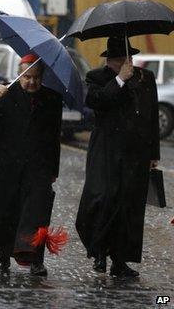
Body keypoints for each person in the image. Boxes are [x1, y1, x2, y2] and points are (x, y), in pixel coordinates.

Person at [76, 36, 160, 277]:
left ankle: (120, 260)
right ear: (110, 61)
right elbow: (96, 101)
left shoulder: (146, 78)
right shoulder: (97, 77)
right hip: (106, 151)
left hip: (136, 153)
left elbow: (151, 115)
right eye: (121, 60)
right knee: (102, 200)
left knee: (129, 206)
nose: (127, 63)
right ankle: (99, 252)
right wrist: (120, 80)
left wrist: (153, 153)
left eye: (129, 58)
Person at [0, 54, 64, 276]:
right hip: (6, 167)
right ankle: (4, 255)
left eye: (36, 78)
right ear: (19, 74)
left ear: (42, 77)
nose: (31, 82)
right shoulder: (5, 93)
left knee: (37, 214)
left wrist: (53, 170)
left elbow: (55, 137)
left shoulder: (52, 99)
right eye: (27, 77)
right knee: (7, 211)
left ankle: (36, 260)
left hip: (38, 168)